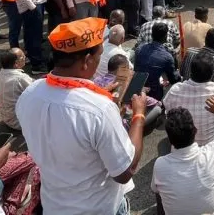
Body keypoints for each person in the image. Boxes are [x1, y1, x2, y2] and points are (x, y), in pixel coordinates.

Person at [16, 17, 147, 215]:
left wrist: (95, 96)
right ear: (86, 61)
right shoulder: (99, 110)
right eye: (98, 57)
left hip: (54, 206)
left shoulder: (28, 95)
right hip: (99, 208)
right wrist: (139, 116)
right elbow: (125, 171)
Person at [152, 98, 214, 215]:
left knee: (160, 189)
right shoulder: (211, 153)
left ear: (169, 139)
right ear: (195, 130)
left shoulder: (160, 164)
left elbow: (156, 190)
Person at [162, 52, 214, 145]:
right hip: (212, 146)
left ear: (191, 72)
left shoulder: (174, 90)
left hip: (182, 144)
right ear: (211, 74)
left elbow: (168, 111)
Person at [0, 48, 32, 131]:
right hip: (20, 122)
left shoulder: (0, 74)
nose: (25, 57)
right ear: (16, 64)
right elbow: (37, 93)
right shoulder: (20, 78)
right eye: (22, 57)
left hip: (7, 119)